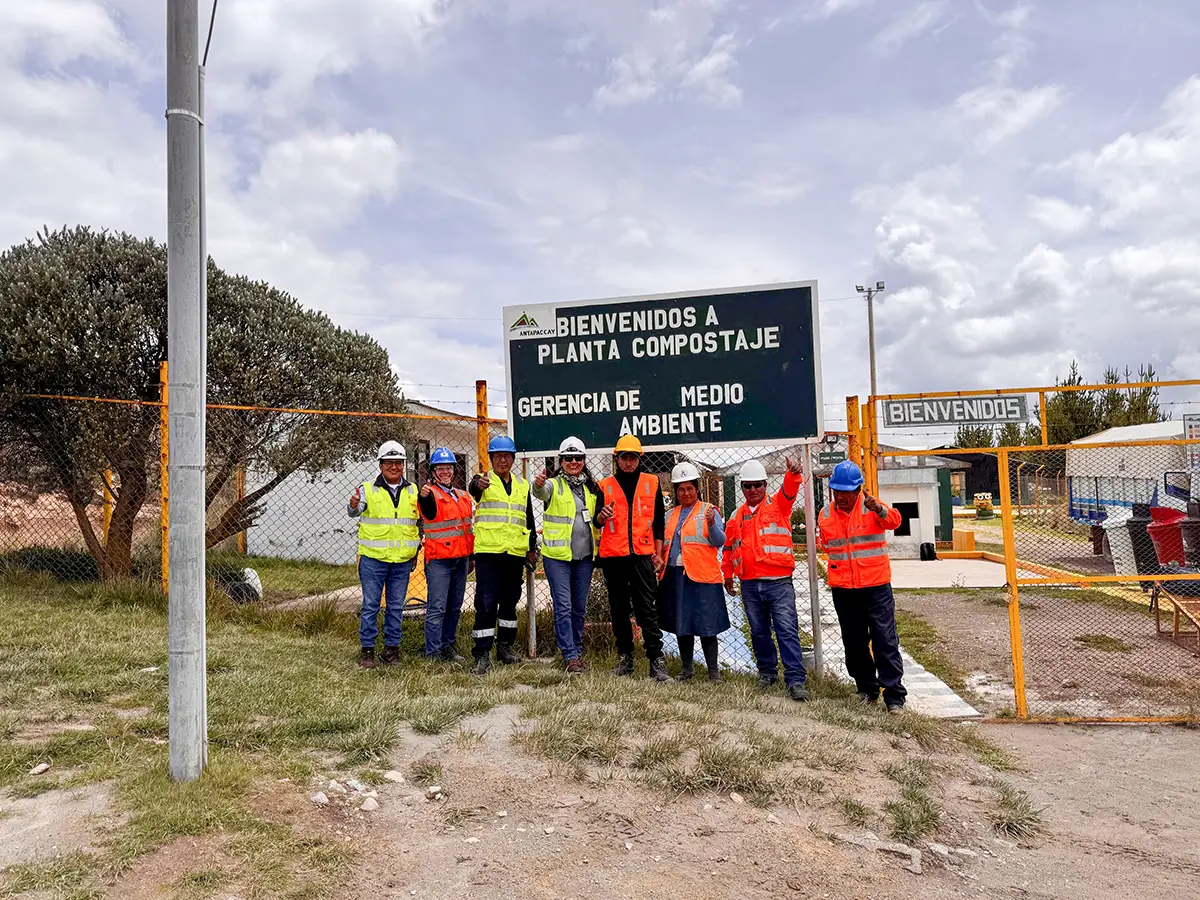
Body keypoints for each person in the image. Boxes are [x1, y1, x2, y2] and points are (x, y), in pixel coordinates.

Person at [816, 460, 907, 713]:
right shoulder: (825, 514)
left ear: (858, 490)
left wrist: (880, 509)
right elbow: (827, 546)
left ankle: (894, 697)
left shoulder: (872, 508)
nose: (841, 496)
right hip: (844, 589)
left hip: (875, 586)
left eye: (846, 491)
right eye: (837, 491)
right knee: (854, 642)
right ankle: (866, 689)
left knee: (884, 640)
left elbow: (895, 521)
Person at [722, 457, 809, 702]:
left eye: (757, 485)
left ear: (765, 485)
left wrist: (793, 474)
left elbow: (789, 490)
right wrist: (727, 574)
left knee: (786, 630)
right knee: (759, 632)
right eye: (747, 486)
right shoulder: (736, 516)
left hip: (778, 582)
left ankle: (795, 680)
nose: (753, 490)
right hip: (749, 583)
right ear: (742, 488)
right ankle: (767, 672)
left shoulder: (778, 505)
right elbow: (729, 547)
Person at [595, 434, 670, 682]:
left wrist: (658, 554)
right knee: (619, 610)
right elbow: (596, 520)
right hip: (614, 558)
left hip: (642, 556)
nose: (629, 462)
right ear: (617, 458)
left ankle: (656, 660)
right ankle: (625, 658)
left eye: (633, 458)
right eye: (624, 457)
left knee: (646, 608)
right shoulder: (604, 486)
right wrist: (601, 517)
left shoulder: (652, 483)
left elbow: (658, 522)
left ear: (640, 459)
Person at [348, 441, 421, 669]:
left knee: (395, 607)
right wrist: (353, 505)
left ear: (403, 465)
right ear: (380, 465)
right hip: (373, 559)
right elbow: (355, 511)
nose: (394, 467)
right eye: (389, 462)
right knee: (371, 605)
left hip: (402, 561)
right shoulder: (367, 489)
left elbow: (419, 521)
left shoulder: (413, 490)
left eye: (398, 463)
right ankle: (367, 652)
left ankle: (391, 651)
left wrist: (416, 550)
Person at [469, 434, 537, 676]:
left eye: (507, 456)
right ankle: (482, 653)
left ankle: (505, 647)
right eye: (498, 456)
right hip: (489, 554)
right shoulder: (483, 481)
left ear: (513, 459)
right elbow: (473, 488)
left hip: (514, 553)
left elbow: (528, 518)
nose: (502, 460)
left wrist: (531, 549)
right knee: (486, 603)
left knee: (510, 602)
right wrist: (477, 485)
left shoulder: (522, 485)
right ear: (491, 458)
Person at [533, 436, 600, 674]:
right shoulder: (554, 484)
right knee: (563, 606)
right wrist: (538, 484)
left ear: (584, 460)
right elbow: (541, 492)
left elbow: (596, 518)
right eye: (568, 458)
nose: (573, 462)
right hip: (557, 557)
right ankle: (569, 655)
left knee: (579, 607)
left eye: (578, 458)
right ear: (561, 461)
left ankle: (577, 650)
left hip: (584, 558)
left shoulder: (591, 488)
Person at [658, 462, 728, 682]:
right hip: (675, 576)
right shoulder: (670, 515)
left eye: (690, 488)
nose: (686, 493)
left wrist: (712, 524)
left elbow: (719, 541)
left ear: (697, 489)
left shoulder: (709, 511)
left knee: (707, 624)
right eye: (681, 489)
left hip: (702, 576)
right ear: (676, 491)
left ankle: (713, 672)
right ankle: (686, 669)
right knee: (682, 624)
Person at [418, 447, 473, 664]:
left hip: (461, 558)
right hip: (439, 561)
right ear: (433, 472)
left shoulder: (463, 496)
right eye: (440, 468)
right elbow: (427, 509)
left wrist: (472, 556)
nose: (445, 472)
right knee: (437, 608)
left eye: (448, 468)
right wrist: (423, 497)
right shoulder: (429, 494)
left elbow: (468, 528)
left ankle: (448, 647)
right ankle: (433, 653)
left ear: (454, 470)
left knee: (454, 607)